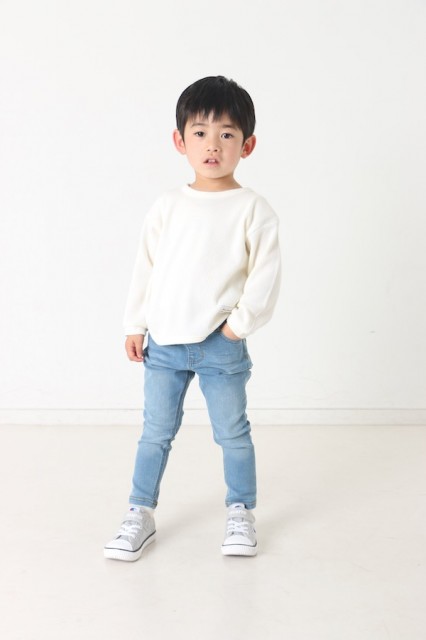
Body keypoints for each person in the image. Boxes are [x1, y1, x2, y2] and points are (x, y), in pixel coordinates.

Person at [104, 76, 281, 561]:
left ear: (247, 145)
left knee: (232, 433)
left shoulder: (253, 209)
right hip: (164, 343)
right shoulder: (168, 205)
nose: (212, 145)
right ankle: (140, 511)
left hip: (220, 344)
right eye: (200, 133)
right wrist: (135, 324)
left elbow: (264, 278)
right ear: (180, 141)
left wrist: (236, 328)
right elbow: (146, 266)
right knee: (155, 432)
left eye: (226, 134)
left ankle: (241, 511)